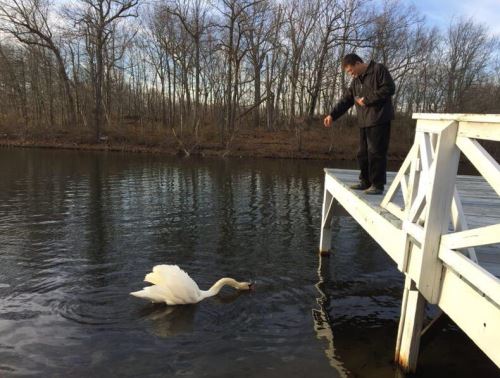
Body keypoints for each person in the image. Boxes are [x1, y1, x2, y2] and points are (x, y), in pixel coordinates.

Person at [324, 53, 395, 195]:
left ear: (358, 63)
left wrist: (367, 100)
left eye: (350, 70)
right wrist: (332, 115)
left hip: (379, 118)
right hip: (364, 121)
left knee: (376, 152)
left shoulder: (378, 69)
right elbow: (346, 100)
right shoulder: (355, 82)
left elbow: (389, 88)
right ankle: (365, 181)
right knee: (362, 153)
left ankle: (377, 185)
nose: (350, 74)